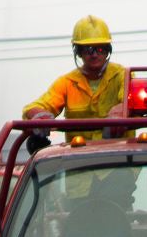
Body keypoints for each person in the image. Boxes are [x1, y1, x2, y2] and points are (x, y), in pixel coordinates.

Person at [24, 15, 130, 144]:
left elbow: (131, 102)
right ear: (79, 52)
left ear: (108, 50)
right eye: (89, 49)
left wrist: (121, 111)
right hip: (79, 160)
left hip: (120, 157)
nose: (95, 54)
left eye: (100, 49)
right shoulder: (67, 83)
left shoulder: (122, 76)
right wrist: (39, 116)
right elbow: (34, 107)